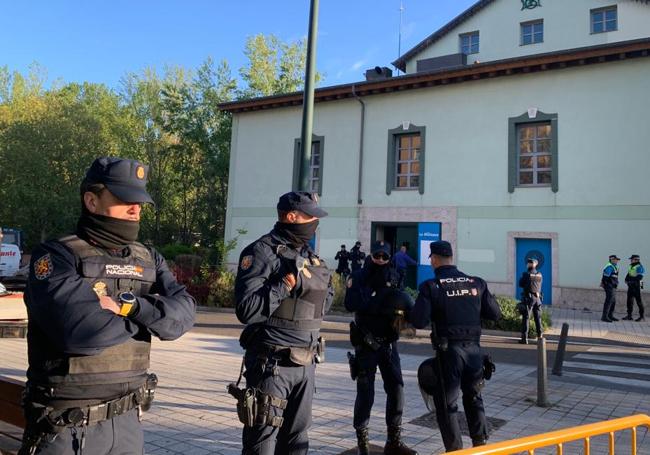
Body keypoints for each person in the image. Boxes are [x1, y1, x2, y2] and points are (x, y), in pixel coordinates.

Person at [20, 157, 196, 455]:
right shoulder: (56, 256)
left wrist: (129, 307)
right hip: (66, 426)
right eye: (125, 199)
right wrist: (153, 313)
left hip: (128, 421)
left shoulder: (149, 258)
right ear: (91, 200)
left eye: (139, 201)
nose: (135, 208)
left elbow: (183, 316)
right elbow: (81, 331)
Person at [234, 191, 334, 455]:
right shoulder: (261, 252)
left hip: (306, 363)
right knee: (262, 443)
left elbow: (324, 303)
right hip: (272, 365)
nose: (315, 222)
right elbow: (246, 309)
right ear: (291, 217)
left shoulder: (309, 255)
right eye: (310, 216)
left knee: (297, 441)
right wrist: (283, 286)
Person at [410, 241, 501, 452]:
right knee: (474, 398)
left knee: (448, 405)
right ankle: (480, 445)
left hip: (449, 354)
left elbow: (419, 321)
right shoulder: (476, 283)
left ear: (433, 259)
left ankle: (455, 450)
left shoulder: (431, 286)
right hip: (475, 353)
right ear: (451, 257)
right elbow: (495, 314)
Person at [344, 241, 417, 455]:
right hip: (366, 342)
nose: (381, 261)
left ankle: (394, 441)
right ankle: (363, 443)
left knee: (397, 388)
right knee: (366, 392)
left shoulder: (394, 276)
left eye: (385, 257)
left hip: (389, 343)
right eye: (378, 256)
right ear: (371, 255)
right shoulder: (358, 276)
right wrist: (378, 301)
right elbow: (351, 304)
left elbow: (403, 302)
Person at [518, 258, 543, 344]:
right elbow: (539, 286)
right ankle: (540, 337)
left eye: (530, 263)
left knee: (526, 318)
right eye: (529, 263)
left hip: (529, 298)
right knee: (538, 318)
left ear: (534, 264)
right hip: (538, 298)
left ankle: (524, 339)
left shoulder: (526, 274)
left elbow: (520, 284)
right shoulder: (539, 274)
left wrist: (523, 278)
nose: (528, 264)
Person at [623, 254, 645, 322]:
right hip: (631, 285)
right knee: (629, 301)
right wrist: (626, 279)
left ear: (636, 260)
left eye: (632, 259)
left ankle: (642, 316)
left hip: (638, 285)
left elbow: (640, 277)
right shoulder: (631, 266)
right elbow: (629, 273)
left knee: (639, 301)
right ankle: (629, 315)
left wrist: (631, 280)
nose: (631, 260)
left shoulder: (640, 267)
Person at [601, 255, 621, 322]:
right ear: (611, 260)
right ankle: (604, 316)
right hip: (610, 286)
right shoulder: (609, 266)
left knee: (613, 301)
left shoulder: (614, 266)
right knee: (609, 301)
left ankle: (610, 315)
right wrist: (607, 285)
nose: (616, 261)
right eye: (615, 259)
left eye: (617, 260)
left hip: (613, 286)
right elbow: (605, 278)